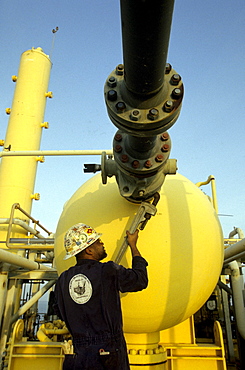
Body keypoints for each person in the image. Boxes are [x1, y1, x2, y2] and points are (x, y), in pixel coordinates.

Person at [54, 223, 148, 370]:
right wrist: (133, 246)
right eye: (98, 241)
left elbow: (59, 311)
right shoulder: (107, 271)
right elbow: (140, 280)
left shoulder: (63, 279)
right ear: (89, 250)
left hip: (78, 355)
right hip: (108, 355)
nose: (102, 243)